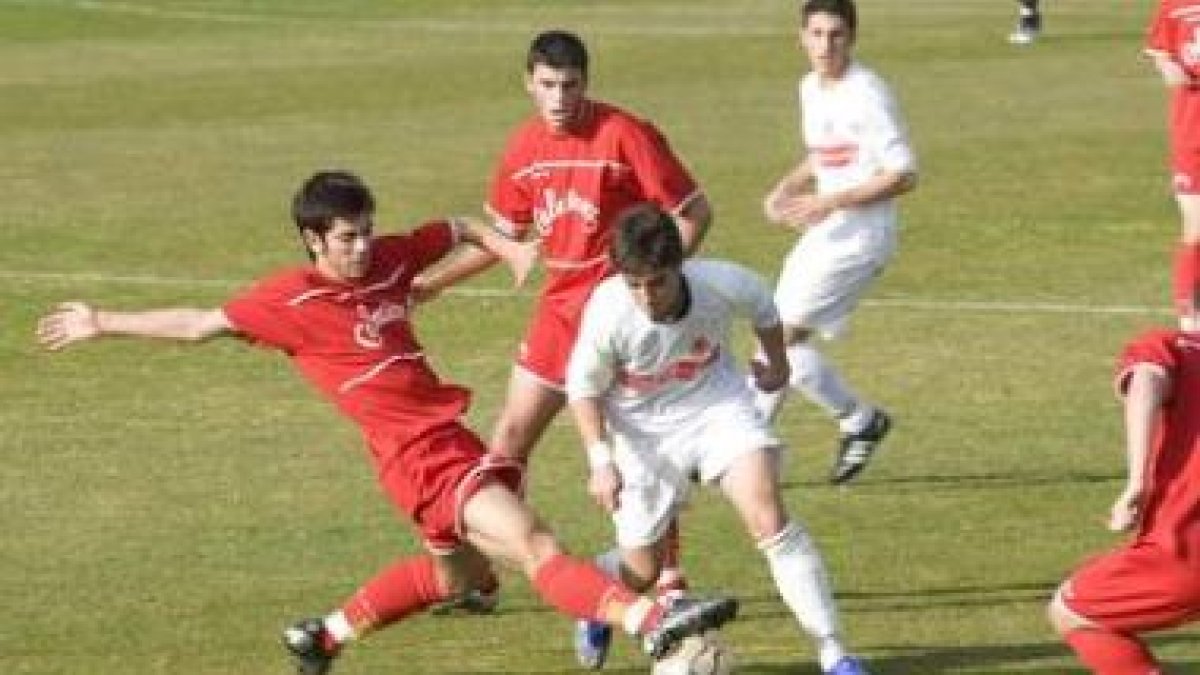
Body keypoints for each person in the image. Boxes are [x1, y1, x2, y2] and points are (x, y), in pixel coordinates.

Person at [34, 171, 738, 674]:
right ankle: (651, 622)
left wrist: (507, 245)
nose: (364, 246)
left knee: (456, 579)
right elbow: (198, 323)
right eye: (347, 237)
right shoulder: (290, 301)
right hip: (420, 458)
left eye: (368, 230)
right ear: (314, 239)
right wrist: (104, 322)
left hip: (439, 448)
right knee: (534, 543)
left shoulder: (391, 258)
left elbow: (455, 227)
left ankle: (325, 637)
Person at [415, 29, 712, 601]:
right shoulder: (523, 149)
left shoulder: (625, 134)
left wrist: (656, 288)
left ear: (586, 83)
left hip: (621, 317)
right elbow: (503, 236)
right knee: (508, 435)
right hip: (558, 314)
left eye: (570, 85)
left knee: (639, 445)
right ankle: (480, 572)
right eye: (548, 85)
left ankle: (668, 578)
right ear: (529, 83)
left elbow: (693, 213)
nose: (559, 98)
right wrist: (433, 281)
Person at [565, 205, 869, 675]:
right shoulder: (607, 313)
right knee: (640, 571)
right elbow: (583, 389)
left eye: (657, 282)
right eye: (634, 284)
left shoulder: (723, 282)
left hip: (718, 412)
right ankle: (597, 600)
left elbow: (765, 308)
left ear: (679, 267)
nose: (646, 296)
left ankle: (835, 655)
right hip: (642, 439)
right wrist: (600, 460)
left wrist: (777, 363)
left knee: (769, 520)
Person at [753, 0, 918, 485]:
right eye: (817, 34)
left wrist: (832, 201)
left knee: (778, 338)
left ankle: (751, 443)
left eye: (837, 35)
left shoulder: (868, 93)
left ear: (853, 37)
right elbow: (824, 153)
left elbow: (904, 174)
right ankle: (858, 421)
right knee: (777, 335)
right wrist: (786, 187)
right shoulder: (810, 88)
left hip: (860, 239)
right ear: (801, 36)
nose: (826, 45)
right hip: (828, 233)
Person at [1048, 324, 1200, 674]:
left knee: (1074, 611)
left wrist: (1136, 482)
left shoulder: (1169, 345)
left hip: (1185, 551)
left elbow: (1145, 381)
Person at [1145, 0, 1200, 332]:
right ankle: (1189, 318)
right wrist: (1171, 68)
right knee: (1196, 226)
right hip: (1192, 136)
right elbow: (1164, 58)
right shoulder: (1173, 5)